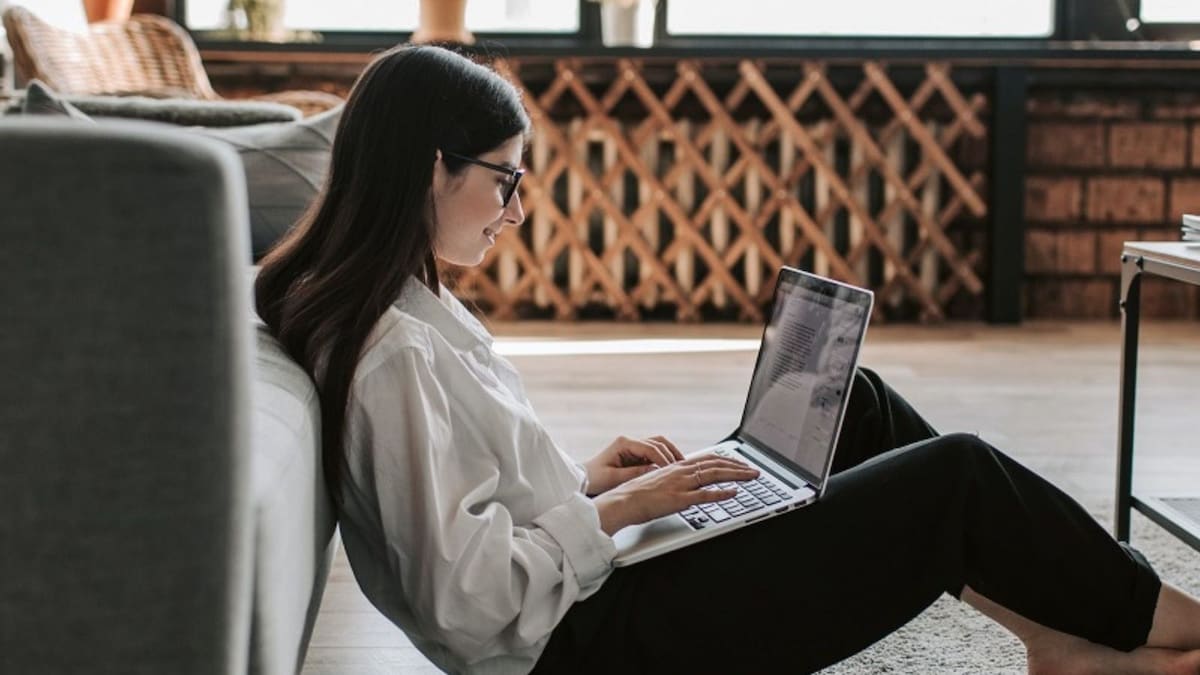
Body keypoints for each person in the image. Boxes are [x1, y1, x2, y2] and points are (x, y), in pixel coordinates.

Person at [254, 44, 1200, 675]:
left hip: (588, 592)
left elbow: (470, 509)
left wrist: (587, 480)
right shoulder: (393, 351)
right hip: (586, 646)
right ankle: (1164, 617)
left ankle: (1056, 641)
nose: (516, 208)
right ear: (433, 169)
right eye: (507, 178)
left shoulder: (401, 313)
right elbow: (465, 601)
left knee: (853, 401)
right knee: (957, 477)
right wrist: (621, 510)